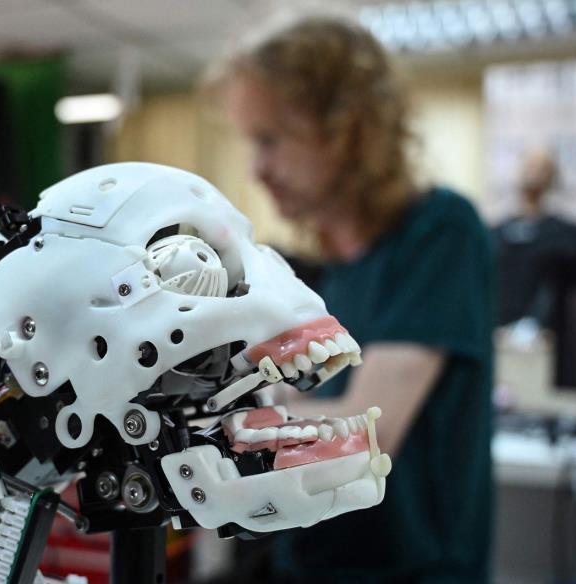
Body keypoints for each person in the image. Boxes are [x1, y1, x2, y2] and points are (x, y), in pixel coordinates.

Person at [207, 16, 495, 583]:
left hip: (410, 571)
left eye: (270, 140)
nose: (256, 169)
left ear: (346, 130)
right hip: (314, 561)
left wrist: (212, 427)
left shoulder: (439, 233)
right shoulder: (336, 269)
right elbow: (292, 397)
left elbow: (368, 432)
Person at [493, 149, 576, 326]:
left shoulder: (567, 234)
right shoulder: (495, 233)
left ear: (552, 177)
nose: (533, 173)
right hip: (498, 329)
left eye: (542, 168)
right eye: (529, 166)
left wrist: (534, 324)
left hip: (547, 334)